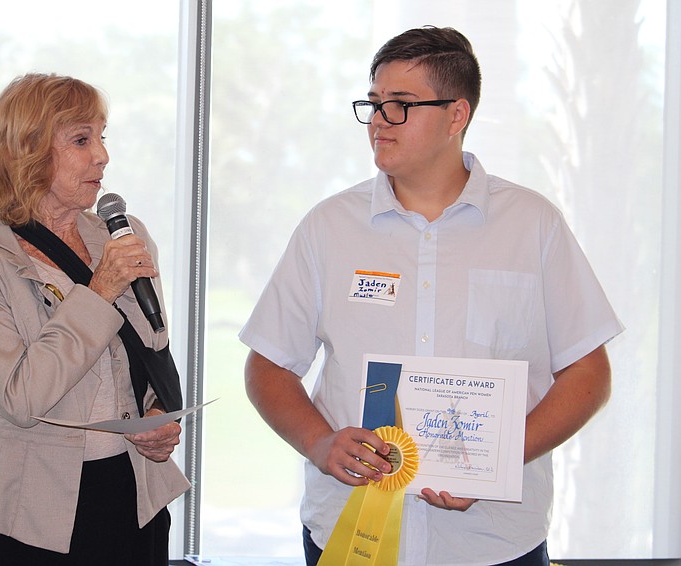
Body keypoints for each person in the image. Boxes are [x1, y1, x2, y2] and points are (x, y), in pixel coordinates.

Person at [239, 26, 623, 566]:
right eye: (373, 104)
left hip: (495, 542)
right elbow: (268, 366)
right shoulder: (328, 227)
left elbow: (589, 374)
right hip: (351, 536)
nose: (378, 121)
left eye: (400, 105)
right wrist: (320, 444)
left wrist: (498, 462)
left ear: (456, 116)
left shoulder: (532, 224)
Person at [0, 73, 189, 565]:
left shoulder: (123, 236)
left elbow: (152, 351)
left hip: (135, 494)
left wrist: (158, 414)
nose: (103, 156)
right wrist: (99, 291)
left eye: (102, 136)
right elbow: (21, 398)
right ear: (27, 151)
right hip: (29, 510)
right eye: (81, 139)